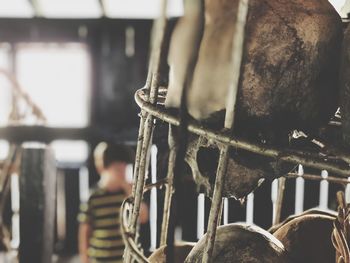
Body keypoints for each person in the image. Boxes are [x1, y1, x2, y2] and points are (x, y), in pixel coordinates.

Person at [78, 143, 148, 263]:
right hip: (99, 259)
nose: (121, 172)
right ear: (103, 168)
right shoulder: (93, 197)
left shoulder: (128, 194)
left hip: (125, 259)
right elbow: (85, 231)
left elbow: (143, 217)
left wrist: (129, 191)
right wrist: (85, 259)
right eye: (117, 169)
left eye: (124, 168)